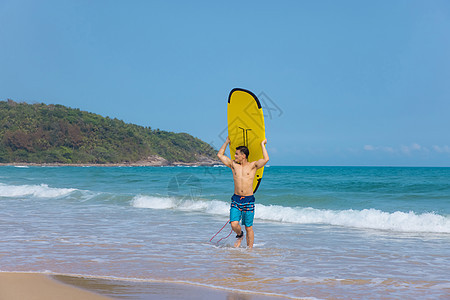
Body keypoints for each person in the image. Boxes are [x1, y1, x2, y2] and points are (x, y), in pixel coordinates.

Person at [217, 136, 269, 248]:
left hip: (248, 200)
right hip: (236, 199)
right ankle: (240, 235)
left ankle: (249, 250)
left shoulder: (253, 166)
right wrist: (226, 142)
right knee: (234, 224)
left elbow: (266, 159)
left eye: (236, 154)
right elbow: (220, 155)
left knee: (248, 227)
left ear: (243, 156)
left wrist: (262, 144)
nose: (234, 156)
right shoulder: (233, 165)